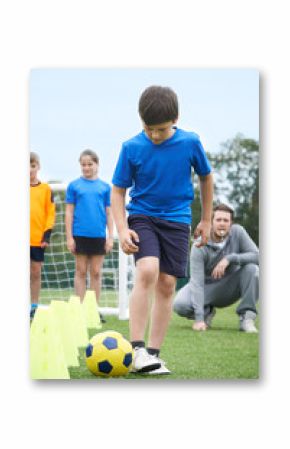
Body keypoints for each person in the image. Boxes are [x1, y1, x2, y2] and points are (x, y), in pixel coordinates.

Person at [111, 85, 213, 374]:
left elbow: (206, 178)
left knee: (167, 284)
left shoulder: (190, 142)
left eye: (161, 129)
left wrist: (205, 220)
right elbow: (118, 191)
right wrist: (121, 228)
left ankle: (154, 354)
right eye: (148, 128)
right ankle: (137, 349)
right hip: (143, 216)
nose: (154, 135)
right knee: (146, 271)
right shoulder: (131, 147)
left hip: (178, 220)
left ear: (176, 119)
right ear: (140, 120)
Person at [173, 203, 259, 333]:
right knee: (179, 304)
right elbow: (197, 284)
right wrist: (199, 319)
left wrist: (230, 258)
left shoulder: (238, 232)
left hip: (229, 286)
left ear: (231, 223)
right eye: (218, 220)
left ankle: (246, 319)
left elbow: (258, 256)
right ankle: (207, 312)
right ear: (211, 222)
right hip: (206, 287)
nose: (222, 223)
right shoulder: (199, 245)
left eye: (226, 220)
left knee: (253, 270)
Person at [65, 149, 114, 322]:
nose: (86, 168)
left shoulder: (105, 187)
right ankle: (79, 310)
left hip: (98, 235)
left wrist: (110, 237)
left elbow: (109, 214)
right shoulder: (74, 186)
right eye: (83, 165)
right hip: (79, 234)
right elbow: (69, 212)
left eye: (89, 164)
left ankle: (93, 310)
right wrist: (69, 237)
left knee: (96, 272)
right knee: (80, 271)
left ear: (97, 165)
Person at [30, 152, 56, 319]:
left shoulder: (45, 189)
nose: (29, 169)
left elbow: (50, 214)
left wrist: (46, 236)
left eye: (32, 166)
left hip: (37, 239)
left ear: (38, 167)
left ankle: (34, 305)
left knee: (35, 273)